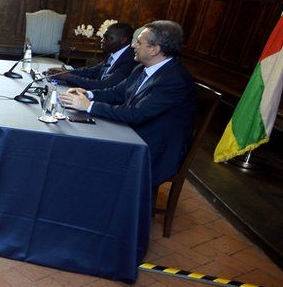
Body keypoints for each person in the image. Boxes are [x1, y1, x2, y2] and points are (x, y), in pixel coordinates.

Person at [59, 20, 197, 186]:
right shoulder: (142, 68)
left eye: (139, 42)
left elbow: (136, 114)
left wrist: (88, 105)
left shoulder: (174, 80)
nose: (133, 46)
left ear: (154, 49)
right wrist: (86, 93)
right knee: (79, 139)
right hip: (133, 133)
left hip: (151, 150)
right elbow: (116, 92)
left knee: (85, 152)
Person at [49, 22, 136, 90]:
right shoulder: (113, 53)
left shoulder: (129, 60)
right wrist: (67, 72)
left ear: (123, 40)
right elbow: (91, 71)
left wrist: (69, 77)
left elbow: (105, 85)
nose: (102, 40)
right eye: (103, 37)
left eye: (108, 38)